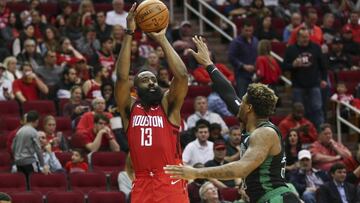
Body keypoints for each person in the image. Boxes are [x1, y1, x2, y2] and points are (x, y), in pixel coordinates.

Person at [164, 36, 301, 203]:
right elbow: (228, 94)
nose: (239, 102)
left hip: (277, 198)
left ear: (249, 108)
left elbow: (241, 168)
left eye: (242, 100)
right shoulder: (251, 121)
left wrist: (196, 172)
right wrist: (208, 64)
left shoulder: (264, 133)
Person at [115, 4, 189, 203]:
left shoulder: (167, 106)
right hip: (141, 183)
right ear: (136, 88)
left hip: (170, 181)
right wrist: (129, 32)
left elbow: (181, 76)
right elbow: (121, 77)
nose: (152, 82)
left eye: (154, 80)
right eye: (145, 80)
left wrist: (162, 38)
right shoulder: (130, 109)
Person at [12, 111, 49, 180]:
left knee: (24, 182)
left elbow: (13, 147)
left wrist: (16, 158)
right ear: (36, 121)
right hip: (29, 162)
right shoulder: (33, 132)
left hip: (18, 162)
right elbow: (38, 149)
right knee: (34, 181)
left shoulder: (19, 131)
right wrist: (43, 165)